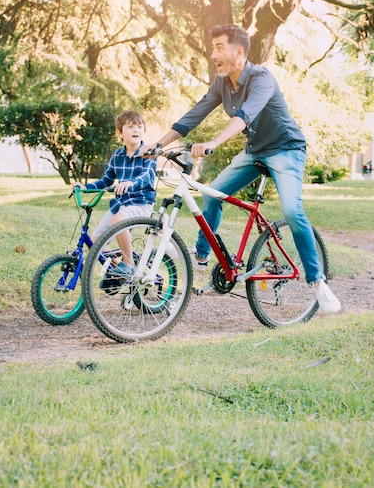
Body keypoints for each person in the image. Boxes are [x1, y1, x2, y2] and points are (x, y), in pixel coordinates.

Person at [141, 24, 341, 314]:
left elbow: (245, 117)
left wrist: (214, 142)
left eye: (219, 47)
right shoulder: (222, 83)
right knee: (212, 193)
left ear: (239, 51)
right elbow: (193, 115)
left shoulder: (262, 79)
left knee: (292, 211)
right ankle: (203, 255)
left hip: (286, 149)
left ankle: (317, 282)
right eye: (212, 48)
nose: (213, 54)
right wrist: (158, 145)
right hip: (255, 151)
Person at [74, 110, 156, 277]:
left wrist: (131, 183)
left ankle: (128, 264)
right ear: (119, 132)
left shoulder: (148, 153)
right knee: (95, 242)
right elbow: (106, 180)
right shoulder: (117, 155)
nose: (136, 130)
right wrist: (85, 186)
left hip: (141, 203)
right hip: (121, 204)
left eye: (140, 127)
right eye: (131, 126)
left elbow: (147, 176)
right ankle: (121, 270)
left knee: (117, 220)